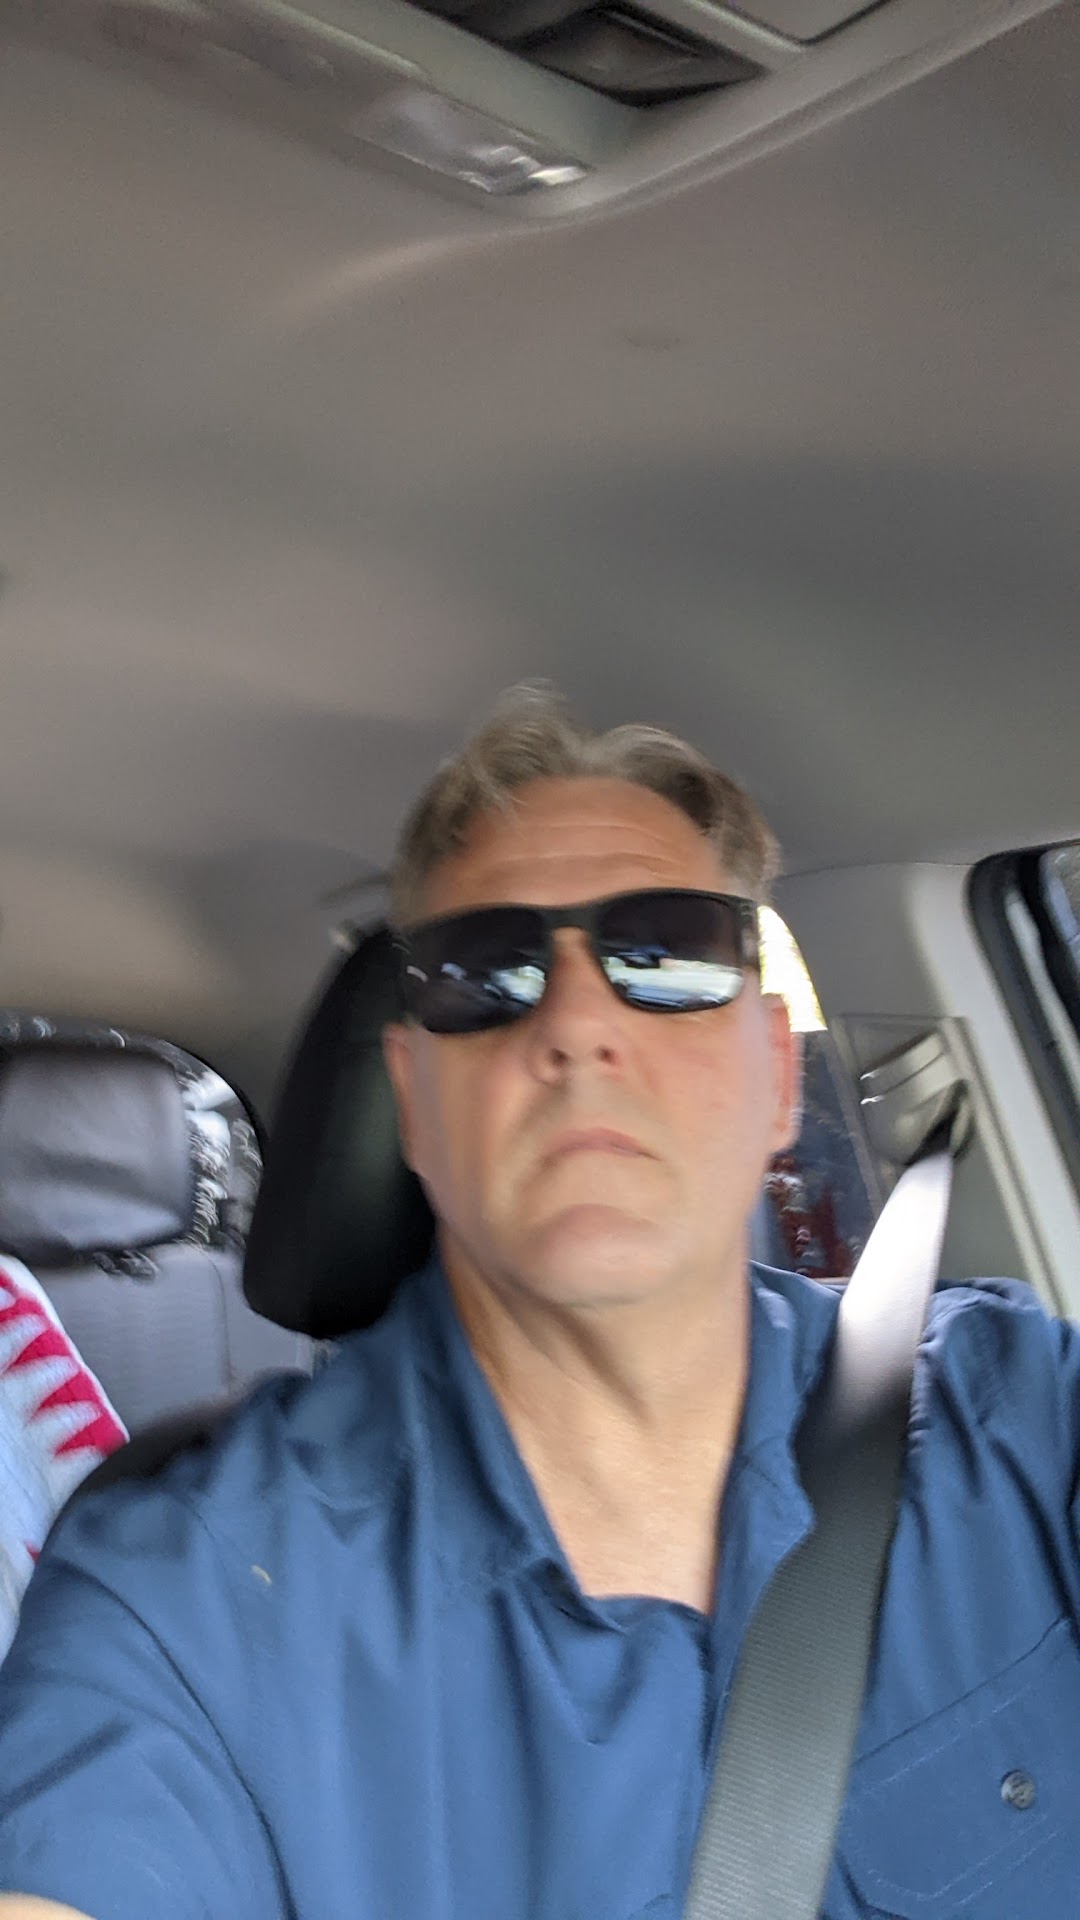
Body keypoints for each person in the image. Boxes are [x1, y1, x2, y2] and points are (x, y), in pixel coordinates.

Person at [1, 684, 1079, 1920]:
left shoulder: (1016, 1416)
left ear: (778, 1073)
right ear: (412, 1101)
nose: (575, 1023)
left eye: (667, 953)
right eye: (486, 970)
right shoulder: (188, 1596)